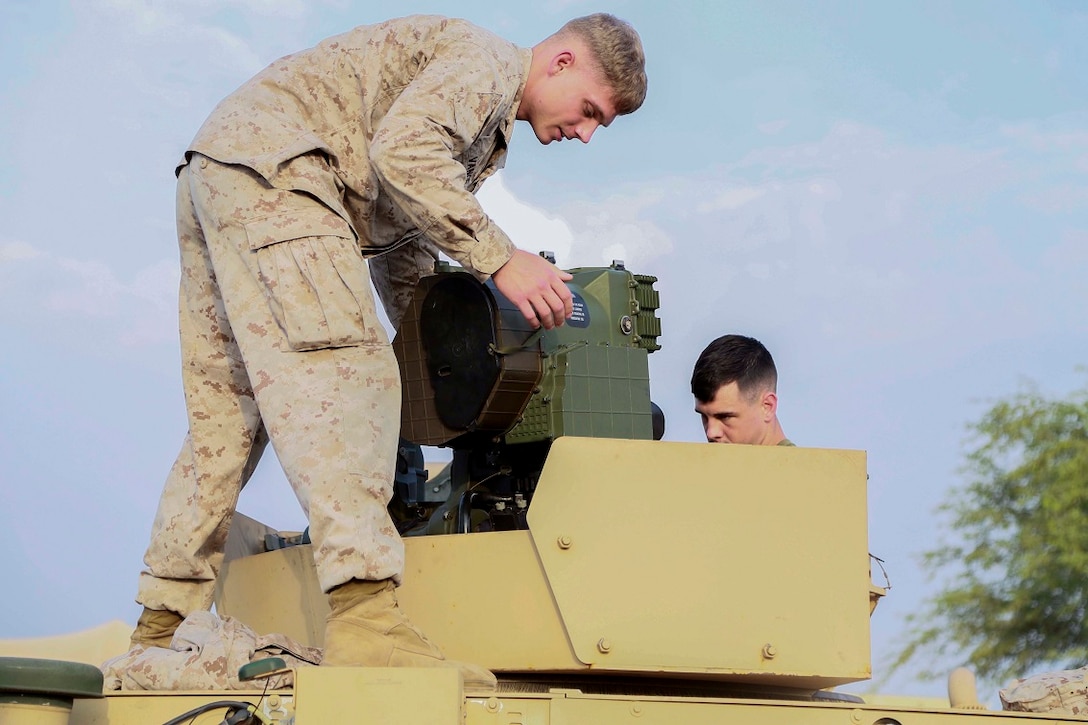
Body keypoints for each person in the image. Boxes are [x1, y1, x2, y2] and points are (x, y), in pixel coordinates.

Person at [128, 13, 647, 688]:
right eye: (588, 111)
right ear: (562, 62)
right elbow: (404, 156)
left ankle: (161, 623)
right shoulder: (485, 67)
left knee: (226, 422)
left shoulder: (475, 105)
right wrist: (501, 261)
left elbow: (400, 238)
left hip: (222, 168)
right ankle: (367, 622)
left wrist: (441, 345)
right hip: (284, 174)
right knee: (353, 380)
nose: (582, 133)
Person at [690, 334, 793, 446]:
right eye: (704, 416)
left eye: (725, 417)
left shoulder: (800, 464)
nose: (711, 433)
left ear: (767, 406)